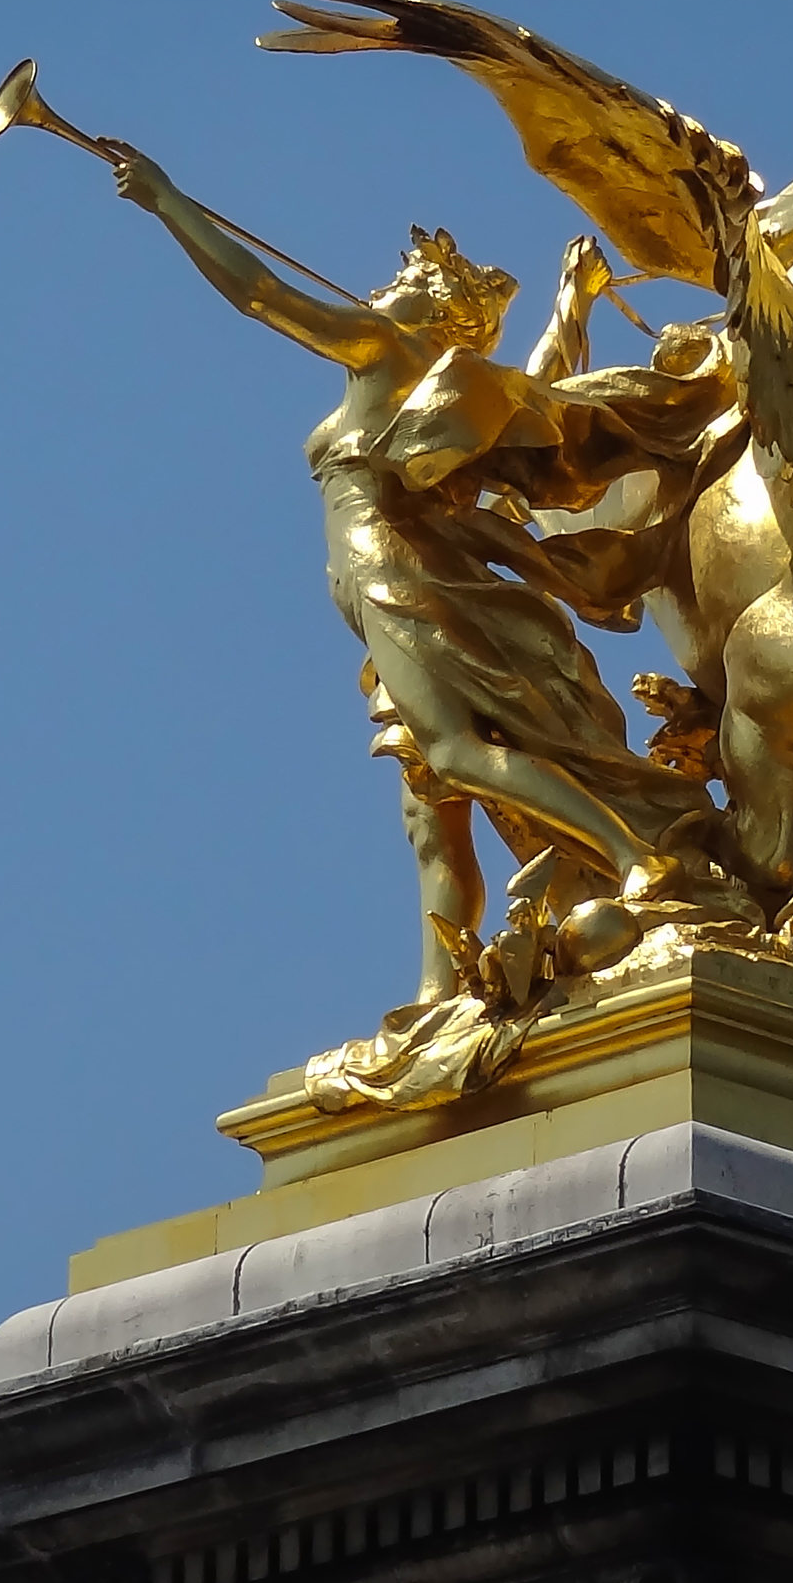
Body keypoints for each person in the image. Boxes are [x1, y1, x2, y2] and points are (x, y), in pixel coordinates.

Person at [108, 146, 711, 1008]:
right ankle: (438, 997)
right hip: (391, 590)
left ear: (437, 312)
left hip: (397, 573)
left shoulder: (388, 351)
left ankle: (632, 858)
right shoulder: (438, 389)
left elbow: (262, 295)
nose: (379, 292)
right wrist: (569, 308)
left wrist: (169, 202)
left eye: (404, 283)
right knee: (432, 813)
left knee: (457, 755)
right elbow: (538, 397)